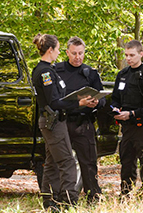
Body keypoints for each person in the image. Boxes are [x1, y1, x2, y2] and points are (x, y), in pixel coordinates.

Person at [31, 33, 94, 212]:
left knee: (51, 163)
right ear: (50, 50)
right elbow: (54, 102)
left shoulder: (47, 70)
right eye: (58, 49)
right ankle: (68, 203)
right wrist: (78, 103)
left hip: (55, 121)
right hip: (53, 122)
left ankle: (49, 202)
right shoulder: (45, 72)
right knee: (67, 162)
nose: (59, 53)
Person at [54, 36, 105, 204]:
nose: (77, 57)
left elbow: (102, 98)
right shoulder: (57, 71)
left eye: (81, 53)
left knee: (88, 162)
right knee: (60, 162)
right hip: (63, 122)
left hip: (83, 122)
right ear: (67, 52)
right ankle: (61, 197)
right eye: (74, 53)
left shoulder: (90, 73)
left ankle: (93, 197)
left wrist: (96, 103)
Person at [111, 40, 143, 196]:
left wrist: (132, 114)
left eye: (132, 55)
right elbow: (115, 98)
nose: (128, 58)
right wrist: (116, 108)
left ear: (141, 54)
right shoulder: (122, 75)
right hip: (126, 128)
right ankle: (125, 195)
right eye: (126, 55)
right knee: (126, 163)